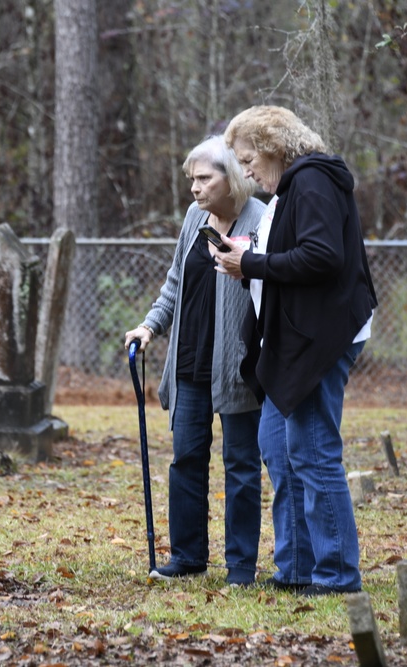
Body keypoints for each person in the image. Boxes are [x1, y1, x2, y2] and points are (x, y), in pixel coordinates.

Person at [213, 106, 378, 597]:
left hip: (319, 339)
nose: (244, 170)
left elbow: (323, 256)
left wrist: (254, 263)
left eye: (247, 159)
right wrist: (247, 254)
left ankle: (336, 575)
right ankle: (299, 567)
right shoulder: (292, 190)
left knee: (313, 452)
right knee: (279, 449)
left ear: (272, 147)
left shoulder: (312, 181)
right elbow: (296, 249)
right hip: (291, 340)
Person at [123, 135, 265, 587]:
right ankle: (187, 556)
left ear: (234, 177)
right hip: (189, 364)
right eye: (192, 180)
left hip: (238, 368)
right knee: (185, 459)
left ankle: (241, 566)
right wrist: (149, 326)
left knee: (241, 467)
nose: (195, 189)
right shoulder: (194, 218)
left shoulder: (261, 220)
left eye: (204, 178)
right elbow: (174, 282)